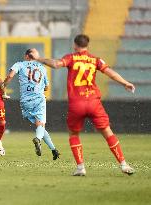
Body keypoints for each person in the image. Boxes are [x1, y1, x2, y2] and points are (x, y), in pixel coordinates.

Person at [30, 34, 135, 176]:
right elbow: (110, 73)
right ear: (87, 45)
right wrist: (125, 83)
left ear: (75, 45)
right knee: (107, 132)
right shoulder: (95, 60)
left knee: (74, 133)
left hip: (76, 103)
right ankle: (123, 164)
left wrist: (38, 59)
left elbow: (55, 64)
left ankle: (80, 167)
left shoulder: (71, 58)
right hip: (93, 102)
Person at [3, 48, 60, 160]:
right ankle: (37, 139)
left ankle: (54, 150)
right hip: (39, 99)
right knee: (40, 125)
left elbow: (10, 76)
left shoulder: (19, 64)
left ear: (26, 56)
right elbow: (47, 87)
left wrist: (3, 86)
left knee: (41, 127)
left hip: (25, 101)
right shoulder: (42, 68)